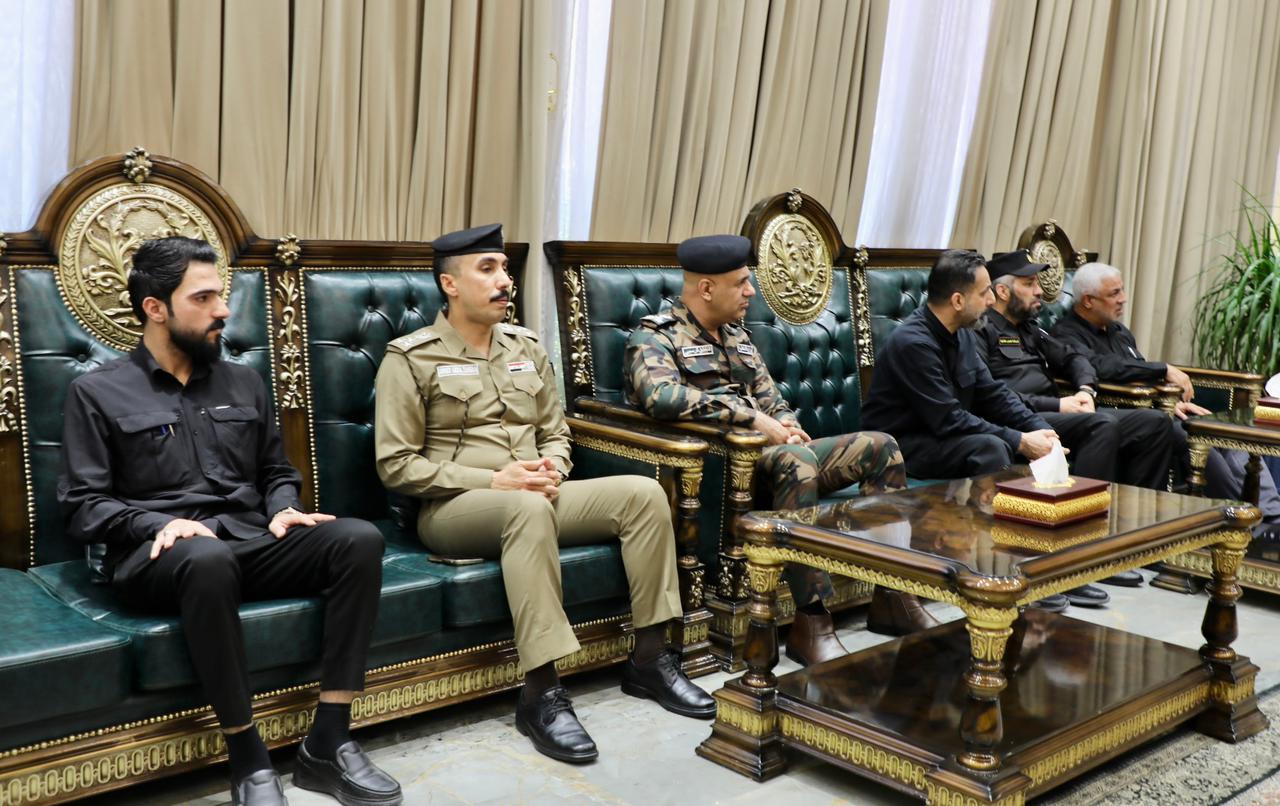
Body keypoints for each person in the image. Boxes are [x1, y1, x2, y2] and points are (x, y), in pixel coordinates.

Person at [58, 237, 402, 806]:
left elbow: (275, 470)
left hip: (247, 540)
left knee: (358, 540)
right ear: (155, 308)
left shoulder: (243, 381)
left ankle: (329, 740)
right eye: (204, 298)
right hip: (160, 557)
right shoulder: (95, 391)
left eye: (221, 295)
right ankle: (248, 759)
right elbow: (82, 503)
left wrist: (283, 507)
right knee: (205, 555)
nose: (222, 310)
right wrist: (154, 524)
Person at [375, 224, 713, 766]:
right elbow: (397, 465)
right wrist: (496, 481)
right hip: (454, 509)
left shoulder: (525, 347)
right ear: (449, 284)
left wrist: (553, 467)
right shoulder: (411, 358)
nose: (504, 281)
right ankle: (541, 693)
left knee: (643, 495)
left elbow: (556, 432)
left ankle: (650, 659)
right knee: (527, 508)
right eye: (487, 269)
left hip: (534, 494)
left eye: (505, 269)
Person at [623, 234, 936, 664]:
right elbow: (660, 397)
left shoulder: (738, 336)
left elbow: (771, 398)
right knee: (795, 460)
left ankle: (892, 595)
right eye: (741, 282)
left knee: (881, 447)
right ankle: (812, 620)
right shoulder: (655, 337)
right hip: (716, 469)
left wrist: (786, 423)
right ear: (707, 288)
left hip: (773, 459)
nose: (751, 291)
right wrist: (749, 418)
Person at [860, 249, 1080, 611]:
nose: (992, 300)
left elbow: (993, 393)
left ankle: (1046, 563)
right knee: (993, 447)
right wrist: (1020, 440)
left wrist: (1042, 431)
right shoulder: (913, 342)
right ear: (958, 300)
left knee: (1034, 442)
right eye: (984, 292)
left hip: (941, 438)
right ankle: (995, 570)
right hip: (899, 450)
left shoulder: (961, 334)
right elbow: (948, 418)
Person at [1052, 261, 1280, 534]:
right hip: (1123, 417)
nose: (1123, 298)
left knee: (1222, 430)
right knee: (1193, 441)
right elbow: (1102, 367)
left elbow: (1136, 371)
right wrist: (1163, 370)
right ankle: (1245, 518)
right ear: (1088, 300)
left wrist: (1174, 402)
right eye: (1114, 293)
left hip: (1161, 409)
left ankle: (1273, 515)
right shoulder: (1065, 334)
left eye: (1122, 290)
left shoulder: (1119, 332)